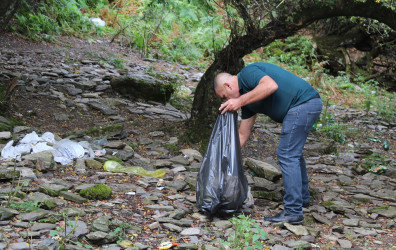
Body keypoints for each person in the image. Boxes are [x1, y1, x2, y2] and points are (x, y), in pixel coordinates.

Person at [214, 62, 322, 225]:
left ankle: (293, 211)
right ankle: (302, 199)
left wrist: (239, 101)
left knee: (287, 154)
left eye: (224, 96)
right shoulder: (248, 101)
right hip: (306, 105)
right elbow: (243, 134)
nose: (227, 101)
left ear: (228, 85)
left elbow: (270, 86)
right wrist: (226, 157)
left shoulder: (247, 73)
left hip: (304, 104)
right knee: (293, 153)